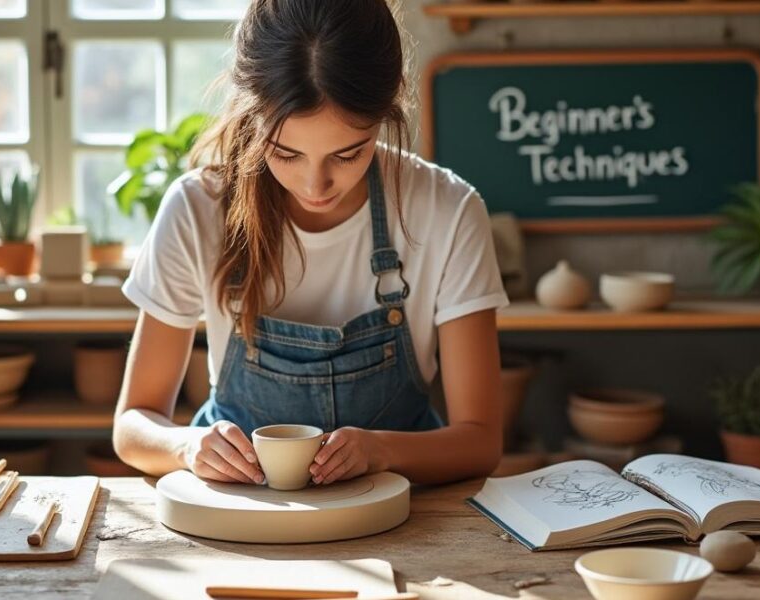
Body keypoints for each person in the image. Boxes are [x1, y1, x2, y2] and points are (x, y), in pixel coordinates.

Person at [113, 0, 507, 487]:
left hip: (401, 513)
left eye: (348, 154)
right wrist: (186, 445)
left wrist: (379, 449)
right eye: (286, 153)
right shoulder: (197, 208)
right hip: (242, 512)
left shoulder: (447, 211)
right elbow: (132, 425)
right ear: (252, 112)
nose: (315, 185)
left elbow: (480, 441)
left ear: (390, 104)